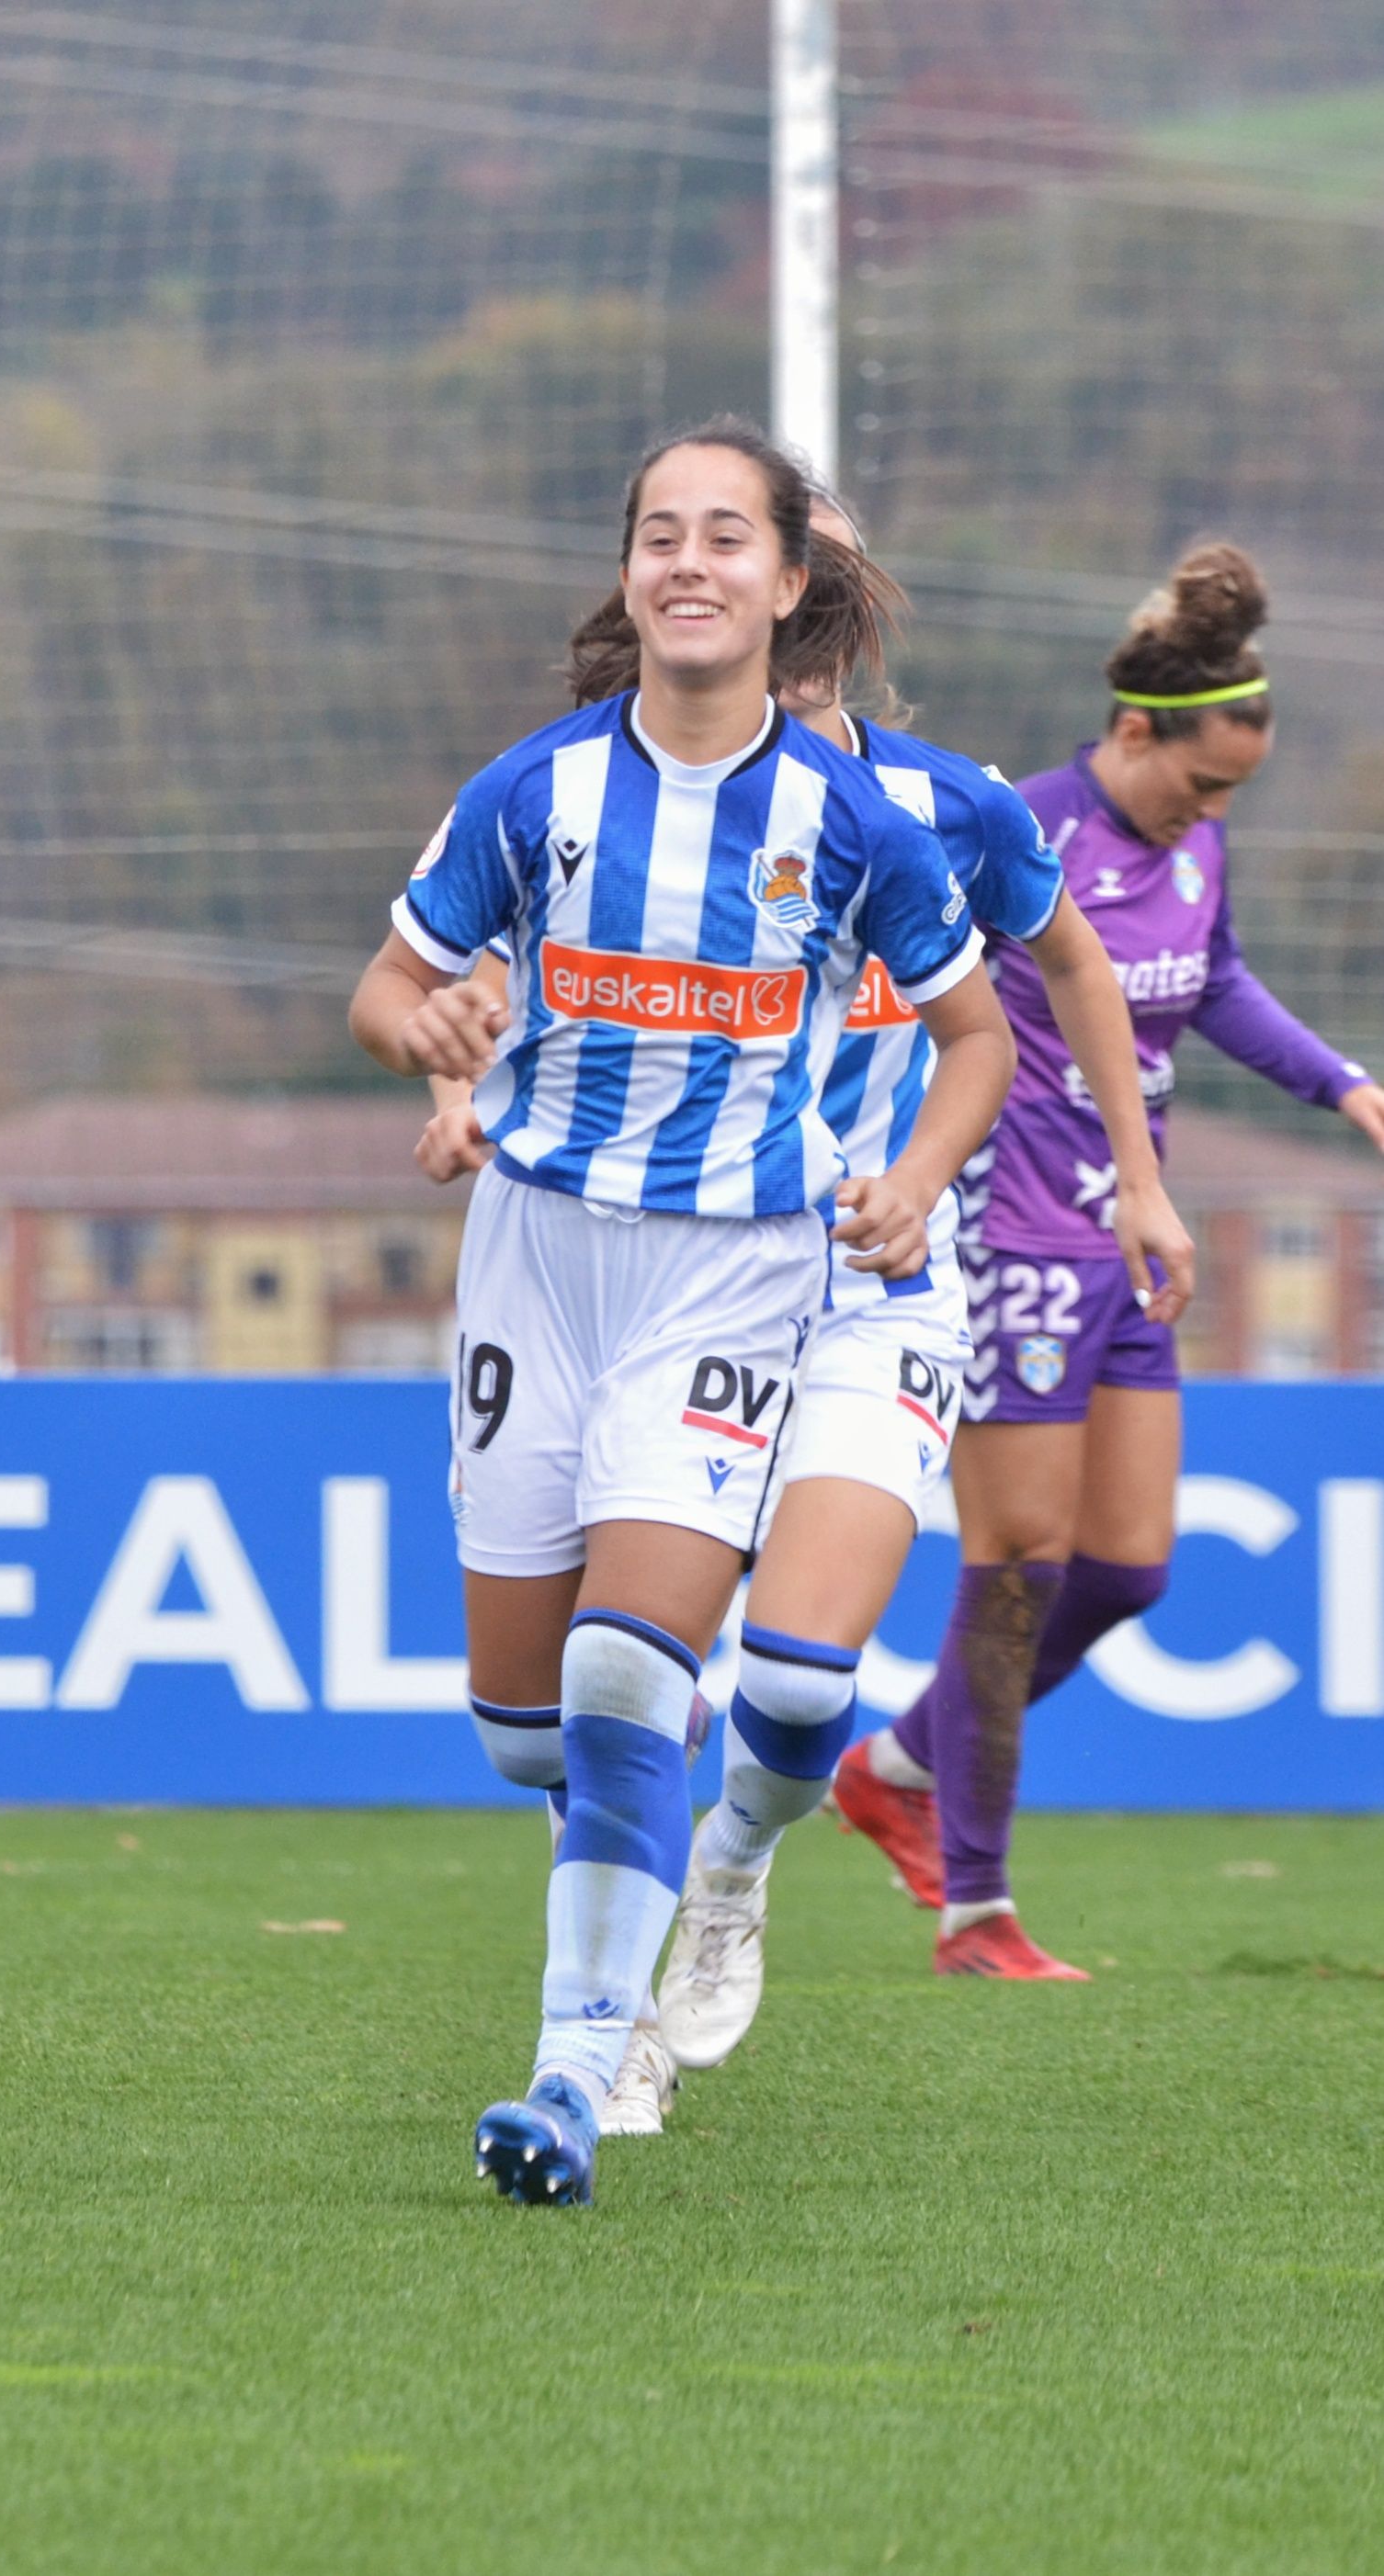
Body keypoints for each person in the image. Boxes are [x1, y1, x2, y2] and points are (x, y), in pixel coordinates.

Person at [431, 508, 1196, 2090]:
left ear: (820, 601)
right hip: (684, 1263)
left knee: (788, 1682)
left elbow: (1068, 969)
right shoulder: (616, 797)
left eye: (793, 559)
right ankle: (614, 2022)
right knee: (589, 1693)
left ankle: (729, 1873)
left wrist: (1136, 1174)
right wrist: (461, 1089)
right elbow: (530, 987)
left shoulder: (942, 809)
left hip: (871, 1281)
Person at [351, 417, 1009, 2210]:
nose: (689, 562)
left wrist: (916, 1176)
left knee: (630, 1668)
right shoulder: (533, 792)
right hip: (534, 1260)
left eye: (727, 536)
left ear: (786, 585)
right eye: (660, 534)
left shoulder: (853, 822)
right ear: (627, 572)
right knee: (525, 1727)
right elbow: (390, 981)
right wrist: (420, 1033)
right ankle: (646, 1835)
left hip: (736, 1268)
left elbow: (977, 1036)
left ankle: (573, 2072)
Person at [827, 542, 1384, 1972]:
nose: (1211, 815)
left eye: (1232, 797)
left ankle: (896, 1767)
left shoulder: (1194, 846)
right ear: (1133, 731)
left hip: (1129, 1230)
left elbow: (1217, 983)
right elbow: (895, 976)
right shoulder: (1019, 831)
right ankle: (978, 1907)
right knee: (1017, 1562)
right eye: (1200, 784)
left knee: (1127, 1571)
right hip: (1007, 1233)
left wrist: (1343, 1085)